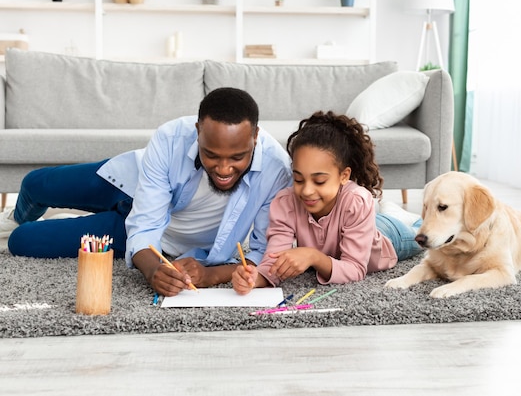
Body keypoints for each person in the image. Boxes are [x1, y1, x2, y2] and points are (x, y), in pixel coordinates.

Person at [1, 87, 292, 296]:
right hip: (124, 186)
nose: (225, 168)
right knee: (35, 185)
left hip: (146, 240)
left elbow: (263, 253)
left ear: (255, 137)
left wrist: (205, 274)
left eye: (237, 157)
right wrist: (151, 272)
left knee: (22, 241)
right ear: (197, 131)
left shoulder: (277, 170)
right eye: (212, 155)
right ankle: (17, 214)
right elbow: (147, 220)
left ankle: (54, 222)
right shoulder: (170, 137)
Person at [231, 111, 422, 295]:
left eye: (319, 181)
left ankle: (403, 218)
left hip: (388, 238)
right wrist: (255, 278)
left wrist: (313, 256)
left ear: (344, 176)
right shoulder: (285, 202)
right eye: (298, 179)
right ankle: (387, 212)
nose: (306, 191)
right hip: (359, 223)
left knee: (424, 235)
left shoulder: (356, 201)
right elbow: (274, 260)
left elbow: (355, 269)